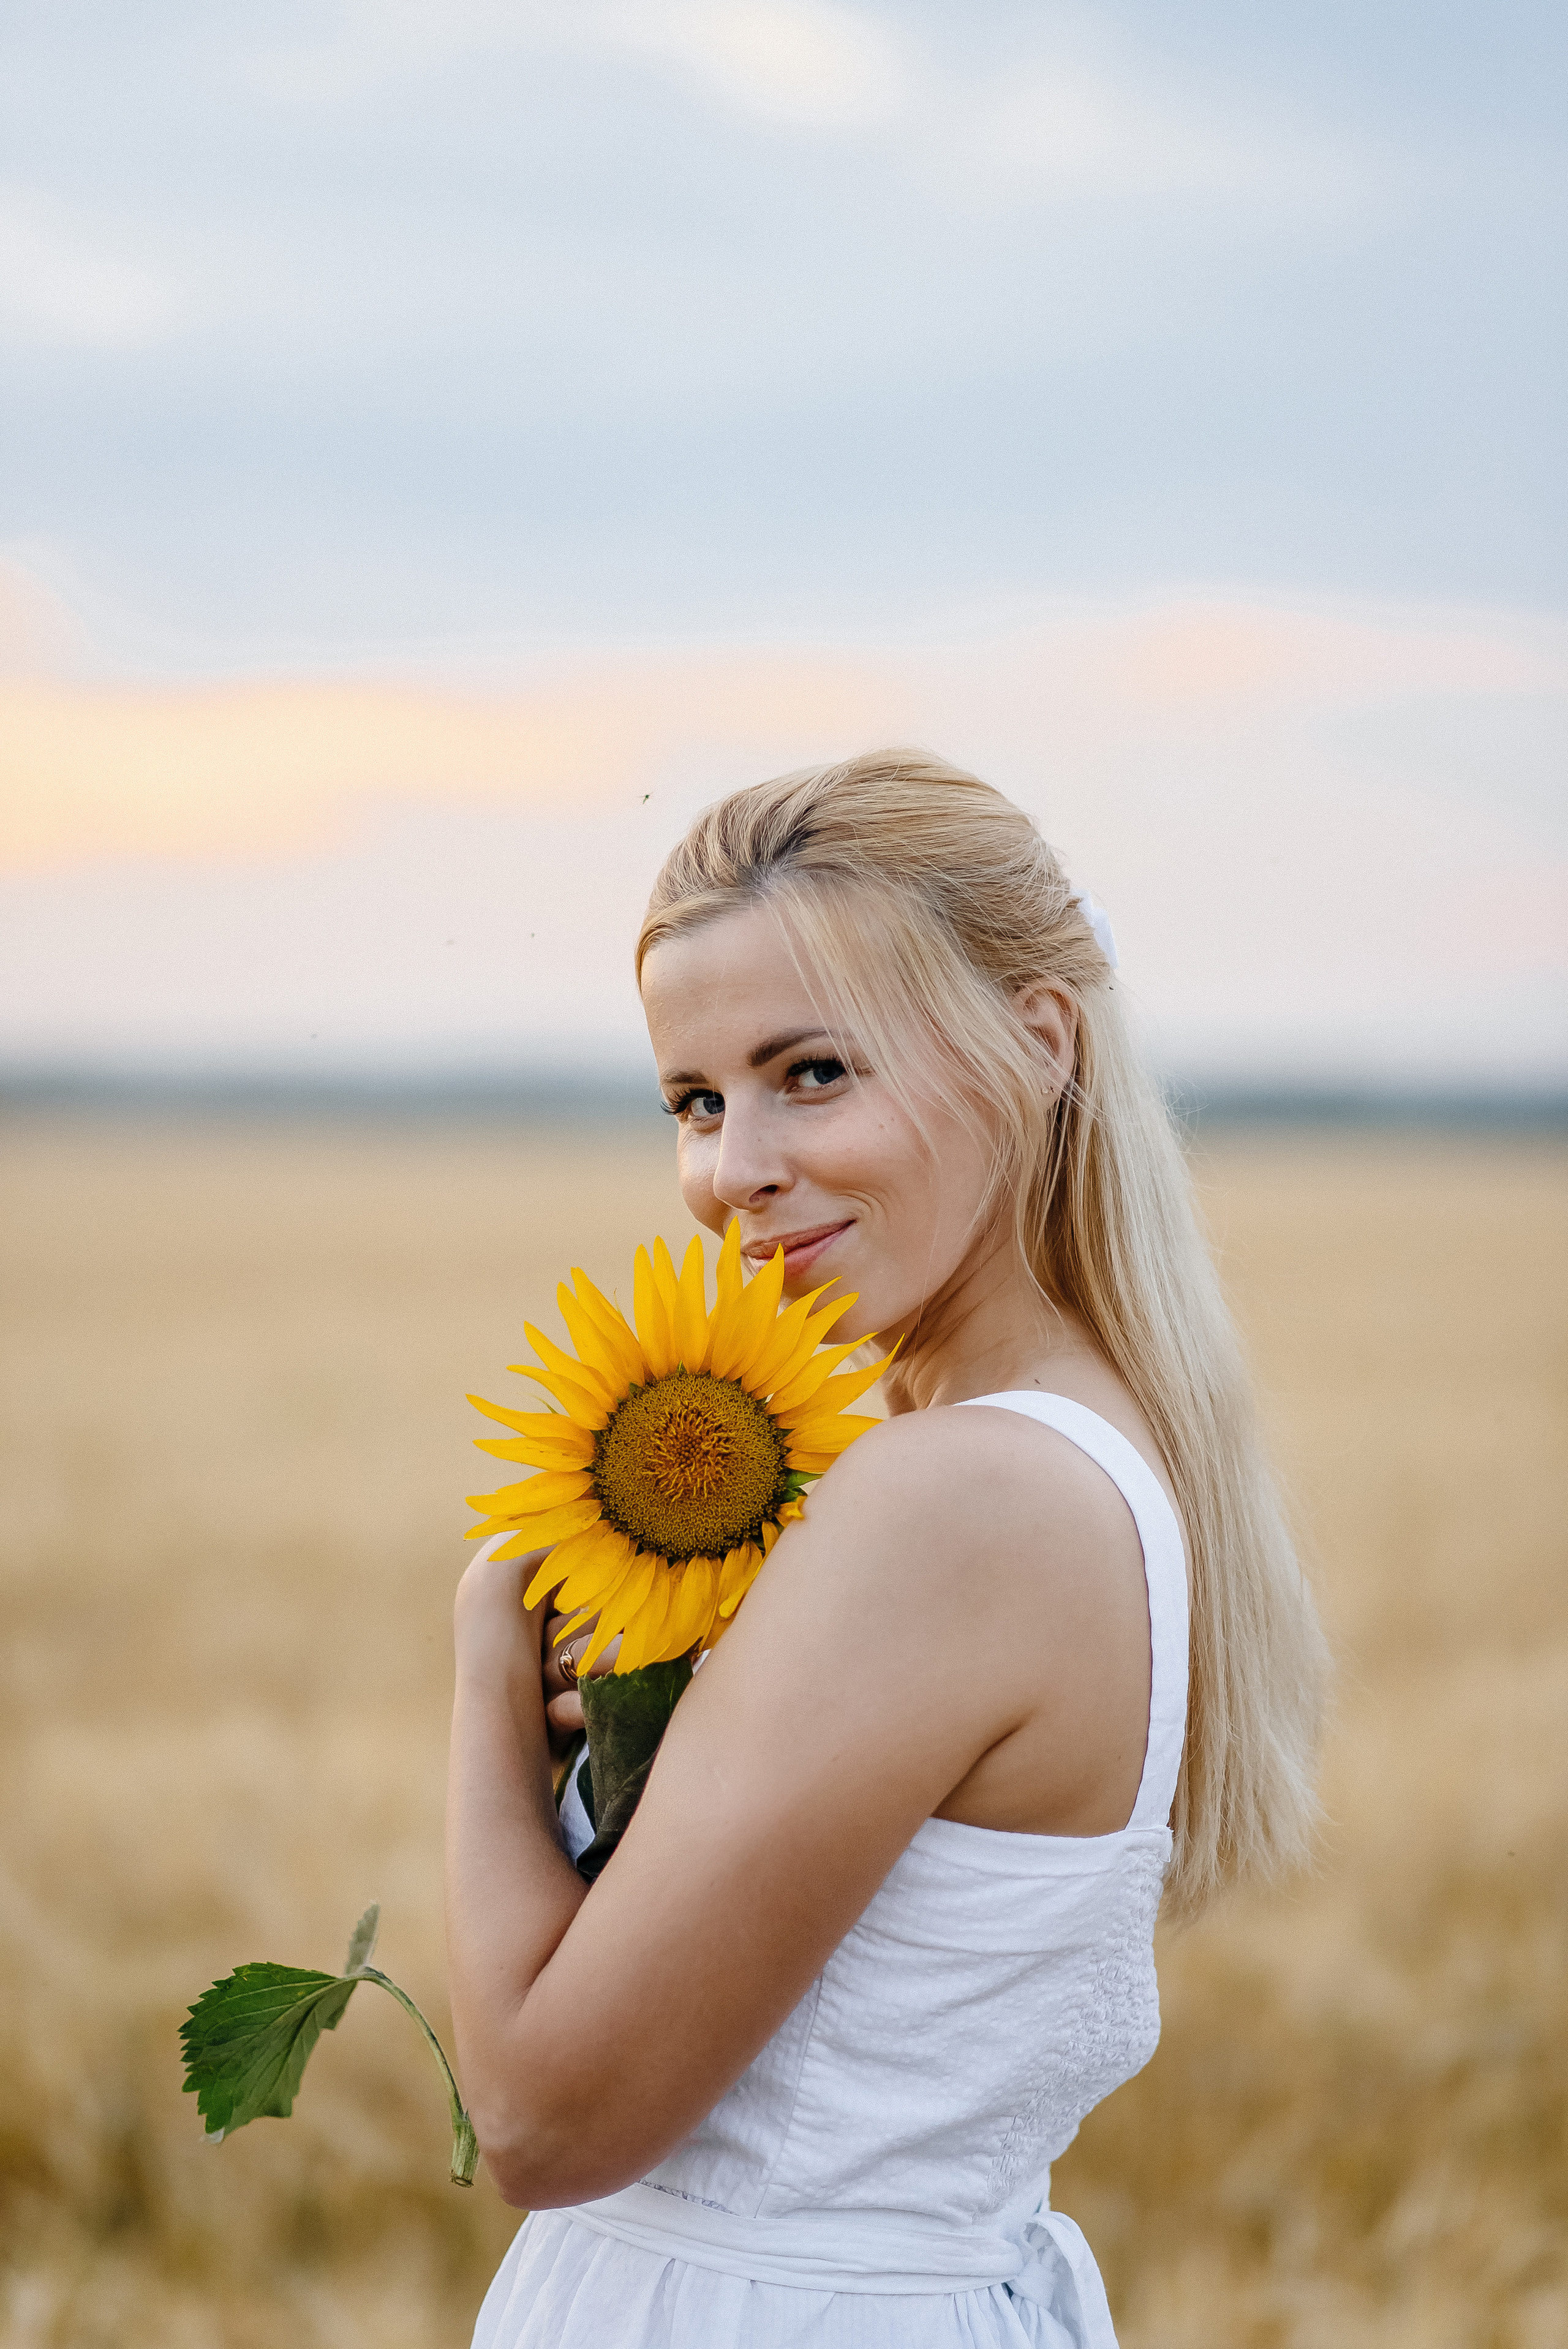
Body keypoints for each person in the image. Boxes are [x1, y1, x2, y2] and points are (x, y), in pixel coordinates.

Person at [447, 749, 1327, 2347]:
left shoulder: (956, 1498)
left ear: (1038, 1043)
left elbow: (541, 2120)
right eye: (696, 1101)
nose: (735, 1171)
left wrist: (485, 1663)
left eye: (814, 1071)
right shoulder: (1064, 1453)